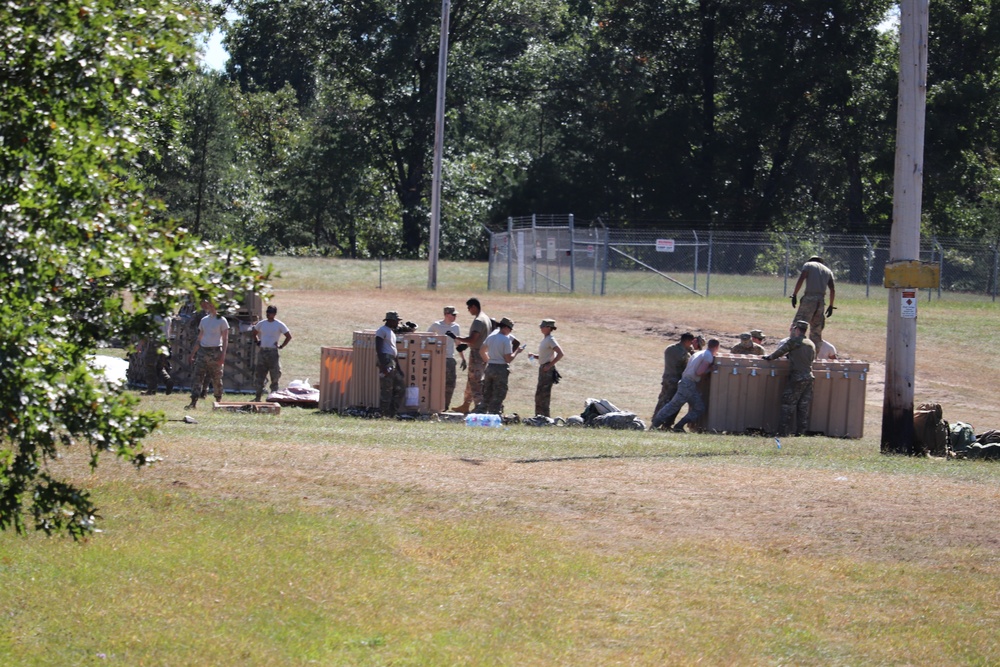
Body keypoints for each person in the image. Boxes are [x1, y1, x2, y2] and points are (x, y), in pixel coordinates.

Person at [652, 338, 720, 432]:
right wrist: (711, 369)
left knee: (697, 407)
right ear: (717, 347)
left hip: (686, 382)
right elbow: (699, 372)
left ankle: (677, 426)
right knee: (674, 405)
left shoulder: (699, 353)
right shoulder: (708, 356)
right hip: (689, 384)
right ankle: (656, 425)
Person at [763, 320, 817, 436]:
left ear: (796, 329)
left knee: (788, 404)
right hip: (809, 376)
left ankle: (782, 432)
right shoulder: (811, 343)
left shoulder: (794, 342)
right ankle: (800, 432)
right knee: (803, 406)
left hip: (797, 377)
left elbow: (780, 352)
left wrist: (769, 358)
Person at [185, 299, 230, 409]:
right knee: (197, 377)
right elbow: (199, 338)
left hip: (215, 351)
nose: (211, 306)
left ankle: (218, 402)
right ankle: (193, 402)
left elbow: (225, 339)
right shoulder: (204, 320)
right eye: (209, 304)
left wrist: (223, 355)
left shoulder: (222, 320)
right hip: (202, 352)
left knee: (216, 378)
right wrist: (192, 354)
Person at [453, 297, 492, 414]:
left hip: (477, 354)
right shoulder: (486, 318)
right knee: (471, 380)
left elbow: (473, 339)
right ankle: (466, 405)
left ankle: (479, 407)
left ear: (474, 306)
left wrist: (457, 338)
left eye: (469, 308)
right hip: (483, 352)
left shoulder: (478, 321)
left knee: (475, 381)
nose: (468, 310)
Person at [477, 317, 523, 414]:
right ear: (506, 327)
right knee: (498, 394)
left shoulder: (491, 337)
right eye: (510, 329)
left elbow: (482, 351)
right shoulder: (505, 340)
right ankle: (494, 414)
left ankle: (481, 413)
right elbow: (508, 359)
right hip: (501, 368)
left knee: (487, 393)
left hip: (490, 367)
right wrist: (517, 352)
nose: (510, 332)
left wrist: (489, 361)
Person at [790, 255, 836, 348]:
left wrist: (794, 294)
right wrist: (831, 305)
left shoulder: (808, 265)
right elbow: (832, 289)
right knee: (816, 330)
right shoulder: (828, 270)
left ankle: (793, 351)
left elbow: (802, 278)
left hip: (809, 299)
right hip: (821, 302)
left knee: (798, 326)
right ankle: (814, 355)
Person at [652, 332, 695, 425]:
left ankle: (655, 419)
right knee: (674, 404)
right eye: (691, 342)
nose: (691, 345)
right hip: (676, 381)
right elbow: (688, 367)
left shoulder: (670, 348)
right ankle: (667, 423)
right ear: (687, 341)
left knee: (662, 400)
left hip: (667, 378)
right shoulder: (684, 354)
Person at [252, 304, 292, 402]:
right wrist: (257, 341)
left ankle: (274, 397)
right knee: (260, 376)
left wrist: (281, 346)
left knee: (275, 375)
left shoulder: (279, 324)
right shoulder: (262, 323)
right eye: (267, 312)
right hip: (263, 351)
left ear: (274, 314)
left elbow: (288, 336)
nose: (268, 314)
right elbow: (254, 332)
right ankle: (258, 397)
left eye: (270, 312)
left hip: (273, 352)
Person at [427, 306, 464, 410]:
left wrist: (463, 358)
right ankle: (433, 404)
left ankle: (445, 406)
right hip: (437, 359)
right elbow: (427, 338)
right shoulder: (436, 326)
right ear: (447, 314)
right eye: (453, 315)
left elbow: (458, 343)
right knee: (435, 382)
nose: (455, 317)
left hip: (449, 359)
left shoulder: (456, 327)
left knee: (450, 383)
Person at [532, 319, 564, 417]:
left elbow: (560, 353)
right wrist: (535, 356)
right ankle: (538, 416)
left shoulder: (550, 339)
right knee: (539, 394)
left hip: (547, 370)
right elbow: (547, 355)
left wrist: (549, 366)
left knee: (544, 395)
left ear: (549, 328)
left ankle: (545, 417)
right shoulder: (546, 339)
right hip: (543, 368)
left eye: (543, 326)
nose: (541, 328)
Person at [376, 311, 406, 417]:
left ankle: (392, 412)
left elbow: (394, 350)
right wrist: (383, 365)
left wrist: (399, 368)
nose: (398, 323)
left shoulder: (391, 332)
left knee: (400, 388)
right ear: (390, 320)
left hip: (392, 360)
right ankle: (383, 414)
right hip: (386, 360)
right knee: (386, 389)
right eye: (396, 321)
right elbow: (379, 348)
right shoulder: (382, 331)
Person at [142, 315, 173, 395]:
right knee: (159, 366)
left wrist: (140, 344)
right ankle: (167, 380)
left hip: (155, 342)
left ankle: (151, 389)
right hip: (165, 343)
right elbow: (169, 331)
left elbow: (147, 331)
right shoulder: (168, 318)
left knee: (149, 365)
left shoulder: (152, 316)